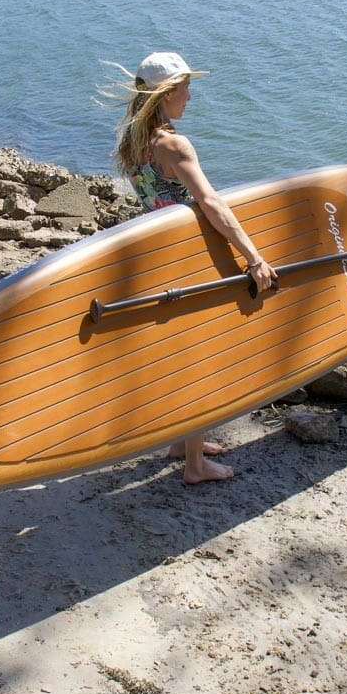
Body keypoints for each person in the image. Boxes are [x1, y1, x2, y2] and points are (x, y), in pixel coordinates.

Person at [111, 50, 277, 484]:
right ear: (165, 95)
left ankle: (179, 440)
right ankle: (195, 467)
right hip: (192, 259)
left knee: (178, 352)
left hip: (162, 257)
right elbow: (210, 202)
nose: (190, 95)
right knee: (201, 357)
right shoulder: (174, 144)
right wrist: (253, 256)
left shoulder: (134, 139)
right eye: (185, 87)